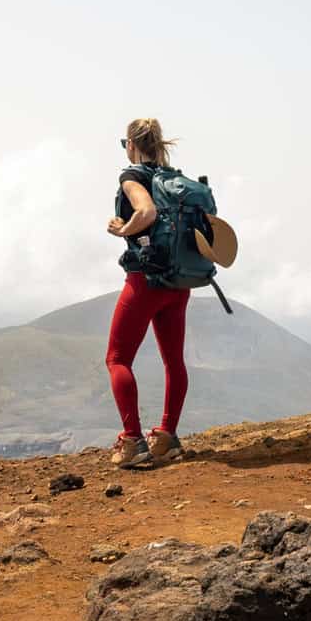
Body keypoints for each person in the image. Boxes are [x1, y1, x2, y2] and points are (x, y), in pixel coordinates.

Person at [105, 117, 190, 468]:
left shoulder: (133, 176)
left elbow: (147, 211)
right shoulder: (176, 179)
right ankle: (167, 438)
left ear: (131, 144)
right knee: (174, 361)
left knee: (117, 359)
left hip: (145, 281)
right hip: (179, 283)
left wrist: (122, 228)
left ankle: (133, 442)